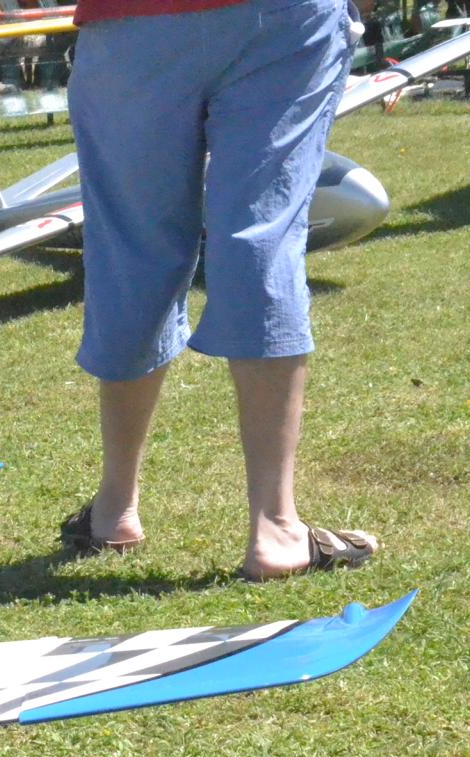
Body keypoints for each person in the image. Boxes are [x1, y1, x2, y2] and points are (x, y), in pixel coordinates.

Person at [59, 0, 376, 581]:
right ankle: (275, 528)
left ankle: (114, 507)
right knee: (262, 236)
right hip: (282, 17)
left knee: (132, 248)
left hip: (129, 24)